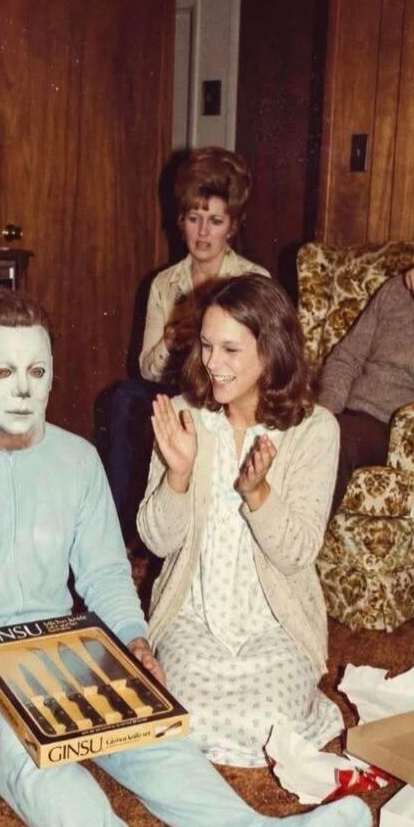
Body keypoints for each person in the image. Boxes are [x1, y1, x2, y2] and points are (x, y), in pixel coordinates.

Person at [0, 289, 371, 827]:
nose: (22, 389)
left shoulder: (77, 460)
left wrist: (134, 643)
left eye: (37, 371)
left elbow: (106, 573)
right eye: (1, 371)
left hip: (60, 647)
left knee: (155, 736)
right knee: (31, 760)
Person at [137, 274, 343, 768]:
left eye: (231, 350)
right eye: (207, 346)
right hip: (194, 617)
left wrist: (260, 495)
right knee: (186, 715)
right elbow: (155, 539)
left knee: (271, 724)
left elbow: (297, 552)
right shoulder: (186, 416)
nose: (212, 363)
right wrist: (179, 476)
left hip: (275, 625)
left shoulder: (315, 430)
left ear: (270, 352)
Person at [108, 147, 269, 538]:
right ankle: (120, 533)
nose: (202, 233)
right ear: (180, 222)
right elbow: (146, 368)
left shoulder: (254, 280)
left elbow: (267, 359)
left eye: (215, 221)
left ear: (232, 226)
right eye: (194, 219)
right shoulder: (165, 284)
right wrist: (170, 339)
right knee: (124, 400)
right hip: (178, 387)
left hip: (232, 391)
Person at [318, 197, 414, 513]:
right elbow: (346, 357)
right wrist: (323, 414)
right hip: (346, 416)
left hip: (398, 433)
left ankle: (292, 555)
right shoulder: (397, 289)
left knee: (334, 442)